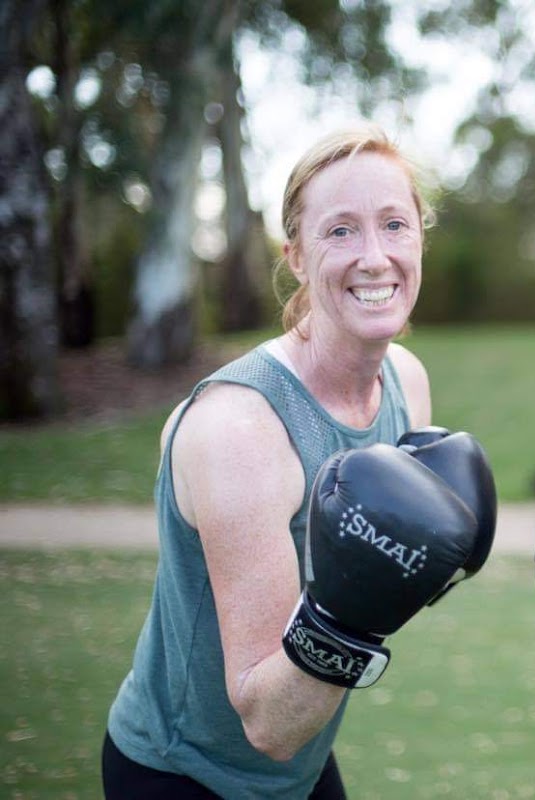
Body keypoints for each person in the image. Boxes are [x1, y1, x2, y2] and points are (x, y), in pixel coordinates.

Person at [102, 126, 495, 798]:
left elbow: (404, 567)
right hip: (184, 772)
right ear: (296, 256)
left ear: (420, 240)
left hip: (302, 764)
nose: (375, 257)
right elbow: (268, 722)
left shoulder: (406, 379)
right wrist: (360, 603)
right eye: (340, 231)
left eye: (395, 225)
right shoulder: (239, 429)